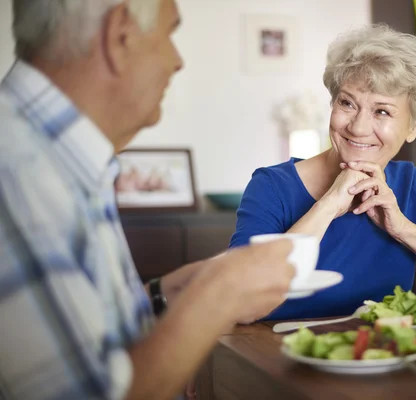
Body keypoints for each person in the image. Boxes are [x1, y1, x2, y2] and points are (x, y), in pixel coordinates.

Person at [0, 1, 295, 399]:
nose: (178, 62)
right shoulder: (17, 170)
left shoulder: (57, 157)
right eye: (169, 32)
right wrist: (216, 297)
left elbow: (79, 332)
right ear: (120, 34)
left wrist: (162, 295)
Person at [230, 24, 416, 320]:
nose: (358, 127)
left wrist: (403, 229)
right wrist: (329, 204)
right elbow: (239, 301)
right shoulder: (272, 186)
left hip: (384, 355)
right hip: (278, 356)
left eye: (382, 111)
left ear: (413, 126)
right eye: (347, 103)